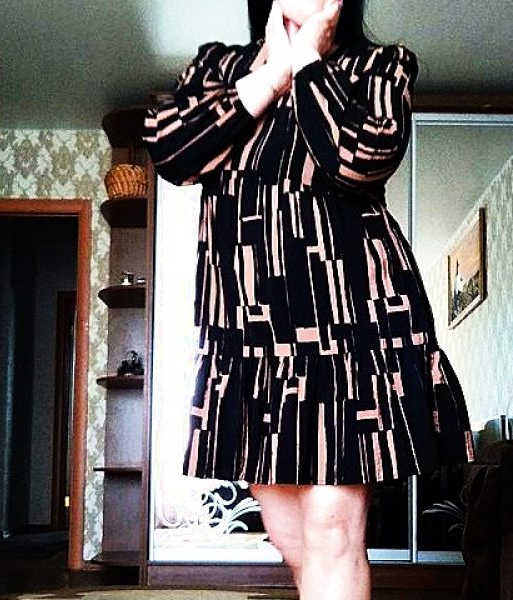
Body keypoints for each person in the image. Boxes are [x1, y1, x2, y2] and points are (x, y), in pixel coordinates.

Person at [144, 1, 475, 598]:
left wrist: (306, 64)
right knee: (291, 536)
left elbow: (360, 161)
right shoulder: (217, 68)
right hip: (246, 333)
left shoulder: (380, 66)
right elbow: (172, 152)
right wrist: (271, 74)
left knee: (332, 530)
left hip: (349, 326)